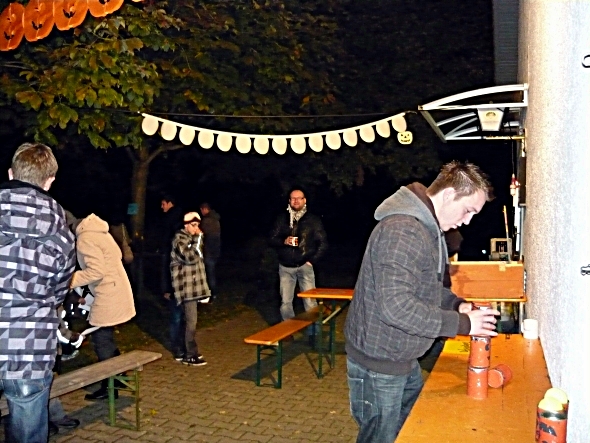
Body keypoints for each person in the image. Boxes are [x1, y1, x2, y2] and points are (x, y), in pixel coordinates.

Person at [344, 161, 500, 443]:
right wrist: (463, 324)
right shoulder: (403, 231)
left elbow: (425, 288)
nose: (467, 221)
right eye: (468, 210)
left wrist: (456, 305)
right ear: (449, 194)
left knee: (408, 430)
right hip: (380, 366)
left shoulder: (426, 229)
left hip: (401, 358)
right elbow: (397, 307)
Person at [0, 142, 76, 443]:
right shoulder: (61, 233)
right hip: (30, 347)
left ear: (11, 173)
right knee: (28, 431)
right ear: (50, 181)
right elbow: (58, 292)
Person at [70, 213, 136, 400]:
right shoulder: (100, 232)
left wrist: (69, 280)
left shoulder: (85, 238)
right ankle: (118, 375)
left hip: (108, 294)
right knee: (105, 335)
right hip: (117, 289)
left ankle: (110, 386)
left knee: (101, 339)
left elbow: (96, 271)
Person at [269, 188, 328, 323]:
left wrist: (311, 261)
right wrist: (283, 241)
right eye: (293, 198)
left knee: (310, 302)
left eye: (299, 198)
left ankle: (314, 330)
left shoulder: (313, 220)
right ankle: (288, 328)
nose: (296, 201)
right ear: (289, 200)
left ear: (304, 200)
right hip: (285, 267)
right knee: (285, 302)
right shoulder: (282, 219)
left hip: (304, 266)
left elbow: (323, 243)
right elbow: (271, 239)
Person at [170, 212, 211, 367]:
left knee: (188, 321)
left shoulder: (191, 240)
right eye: (194, 225)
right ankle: (190, 353)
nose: (196, 228)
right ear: (186, 225)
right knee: (190, 322)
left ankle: (183, 350)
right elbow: (191, 257)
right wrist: (198, 239)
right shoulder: (179, 239)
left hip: (194, 288)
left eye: (198, 225)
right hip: (186, 288)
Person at [160, 194, 185, 359]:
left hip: (178, 284)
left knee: (178, 317)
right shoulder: (174, 221)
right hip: (179, 284)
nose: (162, 207)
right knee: (179, 316)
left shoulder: (171, 224)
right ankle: (180, 346)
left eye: (163, 203)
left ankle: (179, 346)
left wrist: (166, 288)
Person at [199, 202, 221, 301]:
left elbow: (203, 235)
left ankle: (210, 293)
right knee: (211, 272)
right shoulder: (216, 220)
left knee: (208, 273)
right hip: (215, 250)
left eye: (201, 210)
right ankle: (213, 293)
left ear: (204, 209)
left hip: (208, 250)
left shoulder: (207, 221)